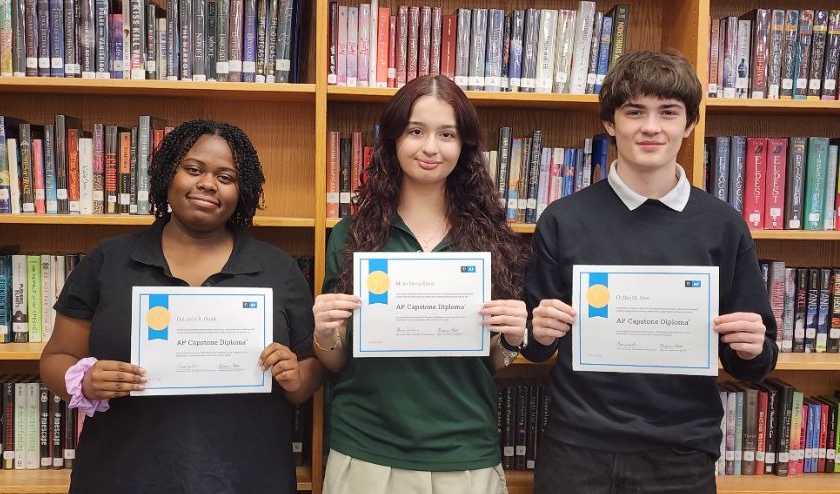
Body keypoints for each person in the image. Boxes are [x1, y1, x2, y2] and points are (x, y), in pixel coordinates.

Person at [524, 50, 778, 493]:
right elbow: (533, 347)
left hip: (680, 453)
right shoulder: (563, 219)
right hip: (577, 449)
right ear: (609, 122)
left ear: (690, 124)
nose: (651, 127)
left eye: (668, 112)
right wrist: (539, 330)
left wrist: (754, 346)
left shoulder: (722, 225)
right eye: (634, 111)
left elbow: (753, 364)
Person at [40, 119, 322, 493]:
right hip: (123, 476)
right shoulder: (109, 260)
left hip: (247, 476)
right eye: (193, 170)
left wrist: (295, 376)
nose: (207, 183)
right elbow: (55, 358)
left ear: (243, 191)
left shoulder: (277, 268)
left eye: (226, 177)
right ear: (166, 175)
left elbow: (312, 368)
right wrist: (87, 382)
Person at [313, 75, 529, 494]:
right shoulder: (350, 235)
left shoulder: (491, 239)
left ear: (463, 145)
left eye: (446, 134)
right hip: (367, 451)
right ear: (392, 138)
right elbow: (334, 363)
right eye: (416, 131)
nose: (431, 148)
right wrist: (324, 334)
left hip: (465, 453)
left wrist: (513, 338)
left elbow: (495, 362)